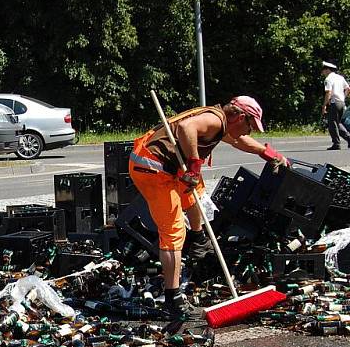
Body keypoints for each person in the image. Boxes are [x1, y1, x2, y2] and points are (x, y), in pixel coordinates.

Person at [129, 96, 288, 319]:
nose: (248, 132)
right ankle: (173, 299)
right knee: (174, 233)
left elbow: (238, 141)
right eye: (249, 126)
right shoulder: (215, 120)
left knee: (197, 194)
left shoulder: (223, 121)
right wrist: (194, 166)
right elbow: (186, 127)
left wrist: (266, 153)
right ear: (240, 116)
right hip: (153, 168)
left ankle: (198, 239)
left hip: (170, 166)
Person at [320, 61, 350, 150]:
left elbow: (328, 93)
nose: (323, 72)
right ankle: (349, 138)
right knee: (338, 123)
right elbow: (348, 88)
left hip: (334, 103)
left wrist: (324, 105)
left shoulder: (328, 79)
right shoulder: (340, 77)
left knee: (332, 124)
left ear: (327, 70)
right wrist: (343, 97)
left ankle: (336, 143)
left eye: (323, 70)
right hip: (341, 103)